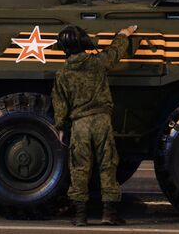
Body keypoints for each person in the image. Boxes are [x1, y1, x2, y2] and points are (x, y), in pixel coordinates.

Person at [51, 24, 137, 226]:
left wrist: (60, 127)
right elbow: (114, 54)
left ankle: (80, 216)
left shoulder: (62, 74)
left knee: (79, 168)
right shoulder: (98, 62)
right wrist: (123, 34)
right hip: (102, 120)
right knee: (107, 165)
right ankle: (109, 214)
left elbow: (60, 104)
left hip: (80, 124)